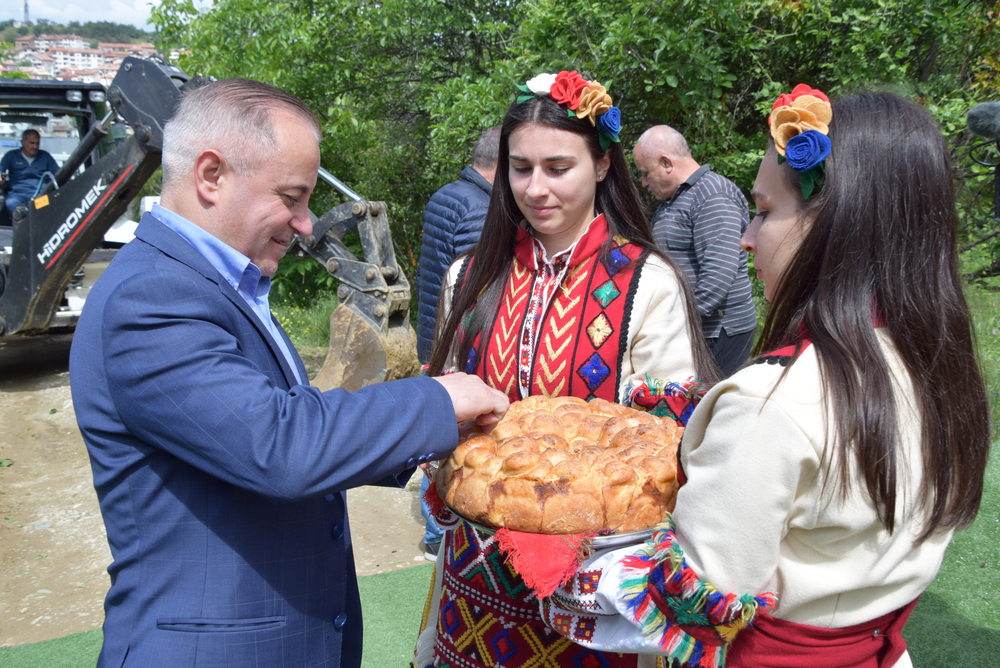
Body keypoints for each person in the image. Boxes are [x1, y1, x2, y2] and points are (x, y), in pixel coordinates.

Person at [538, 88, 992, 668]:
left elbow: (698, 597)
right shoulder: (936, 368)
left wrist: (568, 564)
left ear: (838, 224)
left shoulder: (771, 403)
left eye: (766, 211)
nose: (748, 236)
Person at [69, 78, 509, 668]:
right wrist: (436, 401)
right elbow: (278, 444)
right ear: (210, 175)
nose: (305, 224)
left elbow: (279, 420)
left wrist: (443, 436)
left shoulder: (219, 282)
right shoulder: (151, 297)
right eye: (292, 197)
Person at [413, 70, 720, 668]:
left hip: (594, 593)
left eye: (558, 168)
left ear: (602, 165)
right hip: (476, 580)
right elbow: (441, 404)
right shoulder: (470, 277)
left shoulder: (648, 284)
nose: (535, 188)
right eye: (520, 168)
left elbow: (668, 447)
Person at [416, 124, 501, 561]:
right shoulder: (480, 209)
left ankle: (433, 524)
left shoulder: (445, 195)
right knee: (456, 429)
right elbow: (482, 286)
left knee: (438, 422)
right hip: (459, 334)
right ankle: (439, 528)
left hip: (433, 327)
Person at [632, 125, 757, 375]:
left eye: (646, 173)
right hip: (697, 329)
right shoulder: (675, 198)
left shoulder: (713, 195)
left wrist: (674, 321)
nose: (644, 182)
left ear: (666, 163)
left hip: (719, 331)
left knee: (710, 399)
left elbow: (719, 274)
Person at [0, 129, 60, 213]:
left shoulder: (45, 156)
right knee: (11, 203)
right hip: (18, 194)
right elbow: (1, 169)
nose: (35, 147)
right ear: (22, 143)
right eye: (32, 143)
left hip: (41, 194)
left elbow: (58, 173)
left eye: (37, 143)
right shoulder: (11, 156)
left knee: (47, 206)